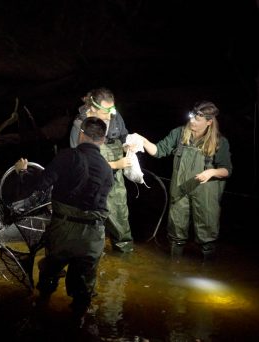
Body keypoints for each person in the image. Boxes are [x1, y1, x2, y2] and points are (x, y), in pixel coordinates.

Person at [14, 116, 113, 317]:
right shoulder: (106, 168)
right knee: (83, 289)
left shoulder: (67, 156)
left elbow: (39, 186)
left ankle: (41, 312)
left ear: (81, 134)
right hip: (94, 235)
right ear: (102, 140)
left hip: (64, 229)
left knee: (50, 273)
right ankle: (78, 324)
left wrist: (22, 172)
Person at [134, 101, 232, 263]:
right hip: (180, 189)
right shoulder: (179, 133)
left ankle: (207, 268)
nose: (192, 121)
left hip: (206, 192)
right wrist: (142, 140)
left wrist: (212, 171)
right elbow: (159, 151)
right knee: (176, 229)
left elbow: (227, 170)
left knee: (207, 230)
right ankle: (175, 266)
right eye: (192, 117)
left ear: (209, 122)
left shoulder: (220, 142)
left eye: (198, 119)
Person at [70, 87, 134, 253]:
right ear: (94, 108)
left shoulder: (115, 116)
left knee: (119, 213)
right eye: (107, 110)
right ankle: (90, 252)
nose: (111, 113)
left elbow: (123, 135)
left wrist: (128, 144)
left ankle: (124, 254)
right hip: (91, 176)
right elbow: (79, 160)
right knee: (91, 214)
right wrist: (114, 165)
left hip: (115, 171)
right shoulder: (80, 125)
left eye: (113, 108)